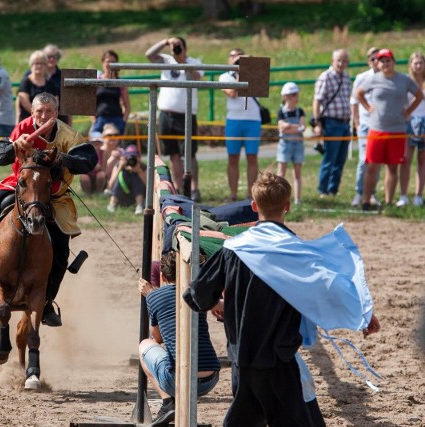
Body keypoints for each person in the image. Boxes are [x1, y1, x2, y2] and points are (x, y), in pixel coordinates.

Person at [184, 171, 381, 427]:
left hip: (241, 356)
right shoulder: (295, 251)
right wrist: (363, 315)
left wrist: (216, 304)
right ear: (287, 206)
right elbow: (331, 285)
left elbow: (196, 294)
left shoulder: (233, 250)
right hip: (277, 359)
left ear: (254, 206)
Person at [0, 93, 98, 327]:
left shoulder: (68, 135)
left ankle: (46, 302)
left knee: (62, 249)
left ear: (57, 112)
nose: (44, 117)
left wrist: (61, 159)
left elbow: (88, 159)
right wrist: (14, 147)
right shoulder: (22, 128)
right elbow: (0, 154)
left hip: (55, 196)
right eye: (39, 112)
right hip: (19, 188)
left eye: (49, 112)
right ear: (32, 112)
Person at [138, 251, 220, 426]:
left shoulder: (154, 296)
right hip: (211, 377)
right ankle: (172, 403)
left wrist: (151, 295)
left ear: (162, 275)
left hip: (178, 380)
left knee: (145, 345)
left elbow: (157, 337)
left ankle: (167, 402)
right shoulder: (197, 293)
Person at [357, 48, 424, 210]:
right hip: (377, 129)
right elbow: (359, 93)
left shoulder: (403, 80)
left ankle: (388, 201)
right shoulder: (373, 79)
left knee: (392, 167)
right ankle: (366, 201)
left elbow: (419, 95)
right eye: (382, 61)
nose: (385, 63)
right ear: (378, 64)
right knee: (372, 166)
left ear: (393, 62)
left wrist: (408, 112)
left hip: (397, 130)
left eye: (388, 60)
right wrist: (368, 107)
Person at [146, 36, 203, 202]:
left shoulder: (194, 61)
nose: (175, 49)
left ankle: (194, 189)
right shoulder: (166, 60)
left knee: (190, 154)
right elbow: (149, 54)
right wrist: (165, 42)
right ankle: (178, 189)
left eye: (178, 46)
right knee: (173, 155)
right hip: (166, 114)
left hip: (186, 114)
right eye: (174, 47)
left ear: (185, 48)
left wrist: (182, 61)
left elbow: (197, 76)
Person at [219, 48, 262, 202]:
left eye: (239, 56)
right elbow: (232, 93)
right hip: (234, 120)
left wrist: (248, 64)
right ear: (228, 59)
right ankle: (233, 194)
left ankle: (251, 194)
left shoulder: (253, 73)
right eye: (232, 56)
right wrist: (240, 74)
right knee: (233, 158)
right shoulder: (224, 76)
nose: (236, 59)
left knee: (252, 158)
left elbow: (260, 83)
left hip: (253, 119)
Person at [311, 48, 351, 198]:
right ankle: (323, 190)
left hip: (345, 122)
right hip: (330, 122)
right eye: (338, 60)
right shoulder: (325, 77)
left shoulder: (346, 78)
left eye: (344, 60)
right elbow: (317, 101)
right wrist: (317, 123)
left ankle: (333, 189)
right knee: (330, 158)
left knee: (341, 159)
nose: (341, 63)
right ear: (332, 61)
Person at [350, 47, 381, 207]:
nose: (376, 61)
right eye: (373, 59)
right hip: (365, 125)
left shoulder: (385, 78)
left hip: (380, 127)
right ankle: (359, 192)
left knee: (376, 161)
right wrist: (357, 124)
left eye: (379, 58)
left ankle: (372, 193)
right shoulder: (361, 78)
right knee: (364, 160)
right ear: (368, 61)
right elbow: (354, 102)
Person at [397, 51, 425, 207]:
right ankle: (403, 195)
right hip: (409, 123)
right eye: (416, 63)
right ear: (411, 65)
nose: (419, 66)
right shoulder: (406, 82)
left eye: (421, 62)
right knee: (406, 159)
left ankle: (418, 195)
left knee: (422, 160)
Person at [276, 82, 306, 205]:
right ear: (286, 96)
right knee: (281, 173)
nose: (296, 97)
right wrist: (295, 127)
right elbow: (281, 127)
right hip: (285, 144)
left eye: (296, 94)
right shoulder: (281, 111)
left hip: (298, 144)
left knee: (297, 173)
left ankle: (297, 199)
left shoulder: (300, 111)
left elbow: (302, 127)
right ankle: (278, 198)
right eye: (293, 94)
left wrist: (289, 126)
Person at [91, 50, 130, 135]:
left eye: (113, 62)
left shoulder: (121, 83)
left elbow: (127, 106)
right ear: (103, 63)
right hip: (100, 119)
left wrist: (123, 122)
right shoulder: (96, 81)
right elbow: (90, 104)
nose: (110, 64)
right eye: (108, 61)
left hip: (117, 119)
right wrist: (94, 121)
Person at [17, 50, 59, 123]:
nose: (39, 66)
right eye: (36, 63)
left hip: (47, 123)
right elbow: (25, 103)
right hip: (28, 122)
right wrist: (39, 115)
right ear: (31, 65)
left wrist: (46, 116)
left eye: (42, 63)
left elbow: (55, 103)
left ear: (46, 65)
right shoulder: (25, 82)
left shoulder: (50, 84)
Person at [106, 145, 146, 215]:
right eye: (129, 157)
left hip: (137, 196)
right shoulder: (119, 165)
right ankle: (112, 204)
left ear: (138, 158)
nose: (131, 159)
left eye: (134, 157)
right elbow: (110, 185)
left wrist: (139, 171)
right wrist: (120, 168)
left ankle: (139, 205)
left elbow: (149, 186)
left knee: (135, 176)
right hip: (122, 197)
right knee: (122, 176)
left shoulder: (142, 166)